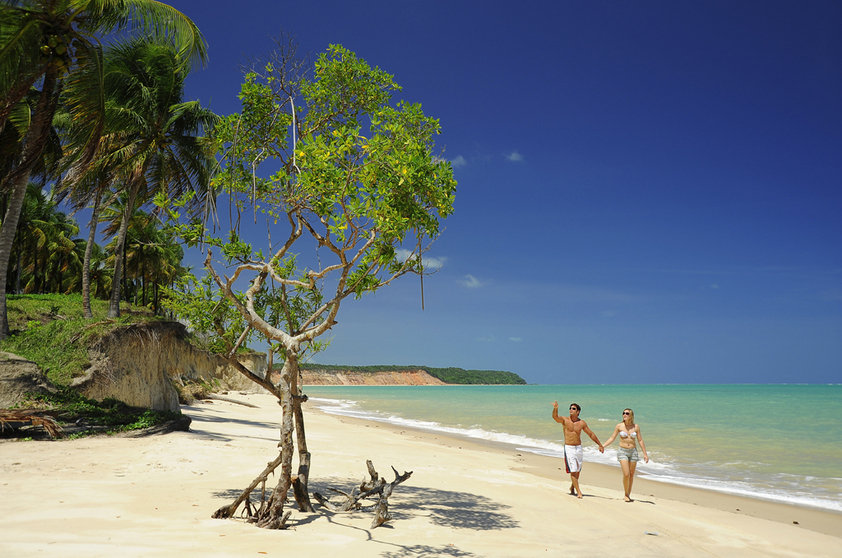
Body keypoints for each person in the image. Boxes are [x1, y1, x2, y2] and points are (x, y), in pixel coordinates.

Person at [551, 401, 604, 498]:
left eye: (573, 409)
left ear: (578, 412)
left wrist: (600, 444)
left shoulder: (581, 423)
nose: (571, 410)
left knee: (578, 470)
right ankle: (579, 492)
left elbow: (590, 434)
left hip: (578, 448)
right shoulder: (565, 420)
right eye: (570, 408)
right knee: (573, 470)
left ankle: (572, 487)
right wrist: (555, 408)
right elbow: (555, 417)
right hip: (569, 448)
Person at [602, 407, 649, 502]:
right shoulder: (619, 426)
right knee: (626, 474)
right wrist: (603, 446)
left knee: (631, 475)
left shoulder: (636, 427)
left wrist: (645, 454)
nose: (624, 415)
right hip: (622, 451)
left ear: (631, 415)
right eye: (623, 413)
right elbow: (612, 438)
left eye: (627, 413)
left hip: (633, 452)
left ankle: (627, 494)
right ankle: (625, 493)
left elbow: (640, 440)